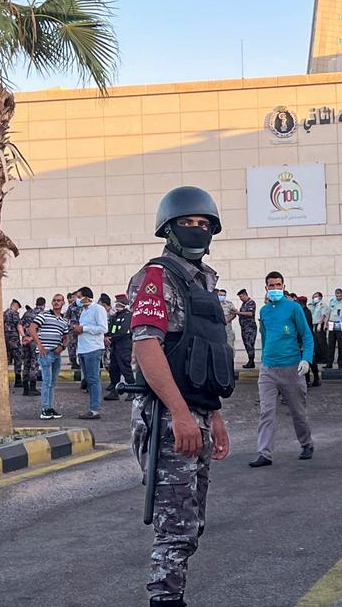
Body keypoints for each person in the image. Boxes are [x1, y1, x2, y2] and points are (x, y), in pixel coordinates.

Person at [127, 186, 233, 607]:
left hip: (197, 412)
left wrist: (214, 415)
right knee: (174, 528)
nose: (197, 230)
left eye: (204, 224)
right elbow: (146, 347)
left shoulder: (204, 282)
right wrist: (180, 412)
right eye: (187, 224)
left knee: (192, 523)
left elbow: (206, 353)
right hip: (168, 415)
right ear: (168, 229)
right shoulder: (158, 276)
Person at [249, 271, 316, 467]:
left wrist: (306, 360)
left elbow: (307, 336)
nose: (275, 289)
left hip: (292, 368)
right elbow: (265, 335)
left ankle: (306, 443)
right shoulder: (264, 311)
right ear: (266, 288)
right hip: (268, 369)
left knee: (297, 411)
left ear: (284, 286)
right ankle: (264, 453)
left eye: (279, 285)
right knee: (266, 412)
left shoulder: (294, 308)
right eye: (272, 286)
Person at [31, 293, 70, 420]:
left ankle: (49, 407)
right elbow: (32, 328)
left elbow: (66, 337)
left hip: (56, 353)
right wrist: (40, 345)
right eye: (54, 300)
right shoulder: (44, 315)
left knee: (52, 382)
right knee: (47, 381)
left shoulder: (64, 321)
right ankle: (44, 408)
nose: (56, 302)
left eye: (59, 300)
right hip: (45, 352)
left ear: (63, 303)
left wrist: (63, 347)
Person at [72, 287, 107, 420]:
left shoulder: (98, 309)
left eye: (79, 297)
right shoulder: (83, 311)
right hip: (83, 349)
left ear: (86, 297)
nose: (78, 300)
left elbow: (103, 328)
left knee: (93, 380)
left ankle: (94, 409)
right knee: (88, 380)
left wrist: (84, 328)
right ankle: (93, 407)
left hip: (93, 348)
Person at [105, 294, 134, 401]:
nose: (116, 306)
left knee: (125, 368)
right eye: (116, 304)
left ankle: (132, 390)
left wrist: (111, 338)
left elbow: (123, 331)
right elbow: (111, 329)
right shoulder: (115, 316)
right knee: (114, 369)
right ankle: (114, 391)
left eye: (119, 304)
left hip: (124, 345)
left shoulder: (128, 316)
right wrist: (107, 337)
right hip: (115, 346)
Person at [19, 298, 44, 395]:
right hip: (35, 341)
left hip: (25, 342)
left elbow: (19, 325)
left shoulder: (28, 313)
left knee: (26, 363)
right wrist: (32, 338)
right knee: (34, 364)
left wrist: (24, 336)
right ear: (43, 305)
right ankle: (32, 388)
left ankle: (25, 389)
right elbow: (41, 330)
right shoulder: (42, 314)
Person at [4, 299, 23, 389]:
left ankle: (4, 381)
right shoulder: (14, 313)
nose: (18, 310)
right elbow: (18, 325)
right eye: (18, 308)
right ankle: (18, 380)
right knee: (18, 358)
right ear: (15, 305)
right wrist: (23, 335)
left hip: (5, 339)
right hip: (13, 339)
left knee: (6, 360)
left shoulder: (4, 313)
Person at [325, 287, 342, 369]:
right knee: (331, 345)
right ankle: (329, 363)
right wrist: (326, 321)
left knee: (341, 345)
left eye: (340, 296)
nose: (338, 298)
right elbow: (329, 312)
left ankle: (340, 363)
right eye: (337, 296)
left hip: (340, 324)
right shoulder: (332, 301)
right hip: (332, 323)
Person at [236, 289, 257, 369]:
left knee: (250, 344)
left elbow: (250, 313)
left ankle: (251, 361)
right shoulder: (244, 304)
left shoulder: (251, 302)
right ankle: (250, 361)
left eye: (241, 296)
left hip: (250, 328)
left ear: (245, 295)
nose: (240, 298)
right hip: (244, 327)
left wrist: (238, 313)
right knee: (246, 344)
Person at [310, 291, 330, 369]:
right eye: (314, 297)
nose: (315, 298)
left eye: (316, 296)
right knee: (317, 343)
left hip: (320, 324)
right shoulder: (315, 305)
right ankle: (320, 357)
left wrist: (320, 324)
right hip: (315, 324)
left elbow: (324, 315)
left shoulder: (322, 304)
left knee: (322, 342)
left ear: (320, 297)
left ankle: (325, 358)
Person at [66, 290, 82, 372]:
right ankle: (73, 362)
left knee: (82, 346)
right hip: (72, 329)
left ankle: (81, 361)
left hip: (82, 329)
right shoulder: (71, 307)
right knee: (72, 346)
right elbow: (66, 318)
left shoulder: (84, 306)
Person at [217, 288, 237, 356]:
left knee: (229, 345)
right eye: (220, 295)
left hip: (227, 328)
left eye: (223, 295)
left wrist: (227, 320)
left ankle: (231, 360)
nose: (221, 296)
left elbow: (235, 313)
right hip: (217, 328)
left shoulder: (229, 304)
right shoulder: (215, 303)